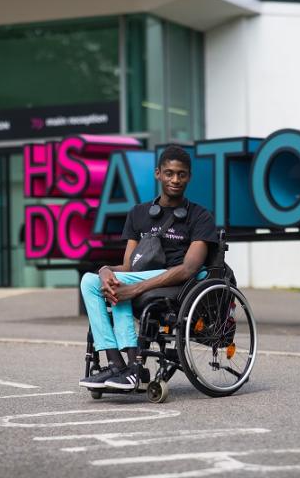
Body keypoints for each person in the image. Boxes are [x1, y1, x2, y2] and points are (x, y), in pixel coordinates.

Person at [79, 145, 218, 391]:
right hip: (140, 276)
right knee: (90, 281)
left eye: (181, 174)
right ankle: (117, 364)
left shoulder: (200, 216)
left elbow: (189, 268)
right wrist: (104, 270)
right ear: (158, 174)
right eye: (169, 173)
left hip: (178, 281)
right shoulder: (139, 213)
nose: (175, 179)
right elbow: (128, 265)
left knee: (121, 285)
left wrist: (134, 288)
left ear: (189, 176)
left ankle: (132, 367)